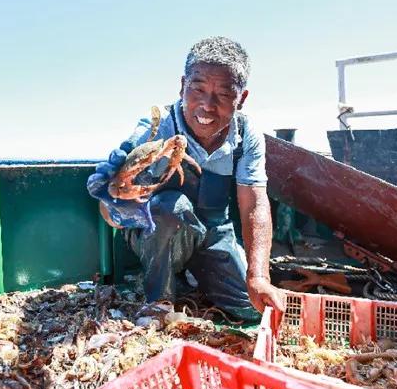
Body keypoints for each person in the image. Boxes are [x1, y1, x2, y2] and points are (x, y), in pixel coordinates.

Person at [87, 36, 284, 321]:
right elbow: (109, 210)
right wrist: (112, 198)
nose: (206, 105)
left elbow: (254, 204)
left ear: (242, 98)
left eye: (225, 94)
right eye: (197, 89)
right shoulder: (156, 128)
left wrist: (259, 277)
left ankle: (191, 275)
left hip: (214, 228)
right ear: (182, 86)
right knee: (172, 208)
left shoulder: (246, 135)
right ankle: (160, 299)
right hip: (156, 227)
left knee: (249, 307)